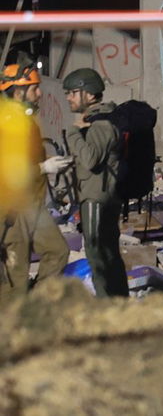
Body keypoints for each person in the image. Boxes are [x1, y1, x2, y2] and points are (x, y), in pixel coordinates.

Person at [0, 61, 70, 300]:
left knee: (58, 251)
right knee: (16, 278)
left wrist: (48, 160)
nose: (40, 94)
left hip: (33, 204)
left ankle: (36, 305)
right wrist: (43, 167)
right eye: (34, 88)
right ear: (18, 92)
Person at [62, 67, 128, 297]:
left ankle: (107, 309)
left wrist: (72, 132)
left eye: (73, 92)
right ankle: (118, 304)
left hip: (97, 199)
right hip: (99, 195)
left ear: (89, 94)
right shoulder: (98, 121)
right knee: (108, 253)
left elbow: (90, 159)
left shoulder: (101, 123)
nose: (69, 97)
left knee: (97, 255)